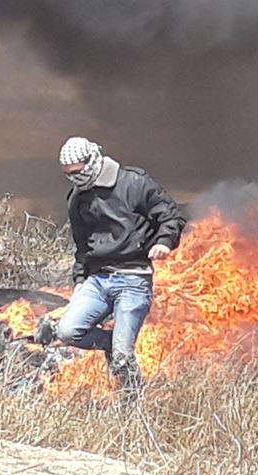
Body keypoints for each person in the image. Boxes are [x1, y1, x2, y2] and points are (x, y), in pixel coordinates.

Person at [40, 136, 186, 401]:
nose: (74, 179)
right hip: (98, 280)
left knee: (122, 355)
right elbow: (82, 245)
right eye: (68, 175)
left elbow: (170, 216)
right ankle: (111, 343)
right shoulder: (77, 198)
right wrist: (80, 279)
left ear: (92, 161)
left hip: (134, 279)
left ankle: (132, 402)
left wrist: (164, 242)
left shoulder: (134, 182)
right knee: (68, 331)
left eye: (78, 172)